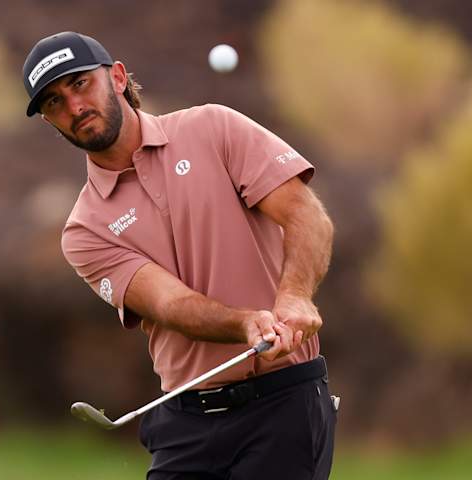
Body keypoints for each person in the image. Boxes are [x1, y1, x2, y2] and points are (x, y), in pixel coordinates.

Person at [22, 31, 336, 479]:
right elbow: (169, 304)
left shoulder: (213, 127)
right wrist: (245, 322)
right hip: (186, 424)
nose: (73, 108)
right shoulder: (85, 229)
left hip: (284, 405)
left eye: (79, 84)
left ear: (115, 77)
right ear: (48, 122)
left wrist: (295, 296)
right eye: (53, 102)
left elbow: (306, 216)